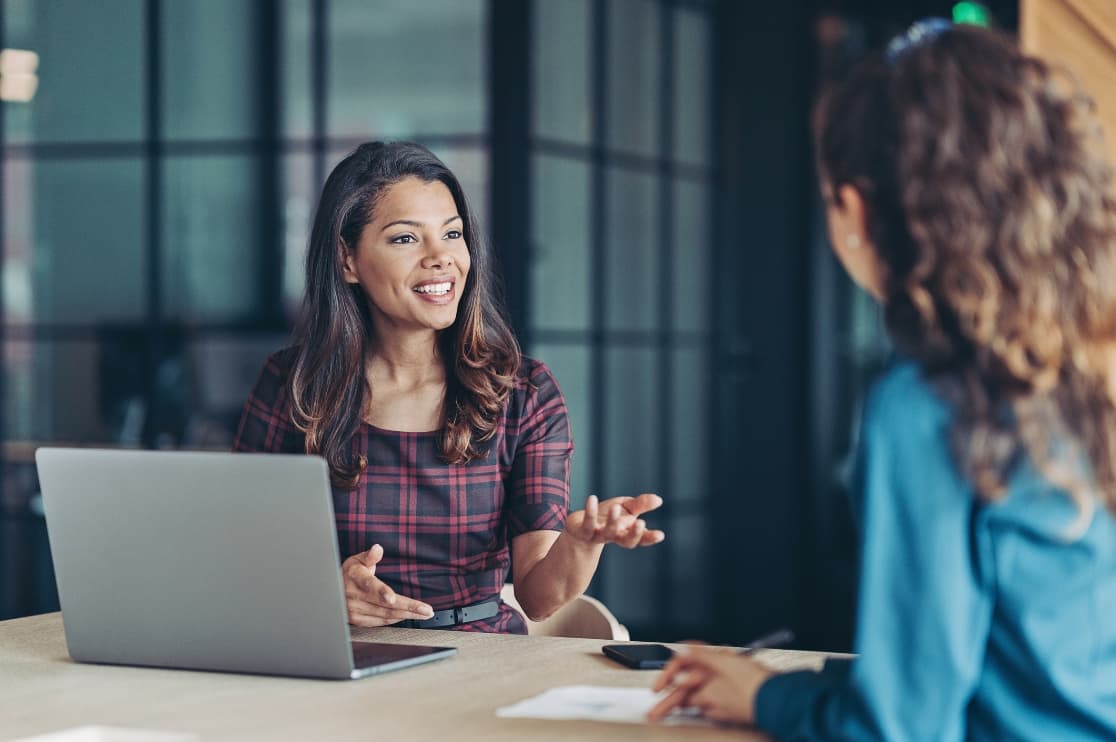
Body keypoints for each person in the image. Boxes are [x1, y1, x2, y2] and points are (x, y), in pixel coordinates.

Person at [650, 20, 1116, 739]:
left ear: (857, 210)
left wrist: (769, 702)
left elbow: (901, 728)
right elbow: (1028, 658)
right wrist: (797, 682)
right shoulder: (1081, 365)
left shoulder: (927, 407)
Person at [234, 141, 664, 633]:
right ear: (347, 260)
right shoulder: (293, 385)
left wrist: (582, 543)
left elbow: (538, 598)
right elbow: (245, 562)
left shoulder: (524, 392)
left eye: (452, 234)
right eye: (405, 239)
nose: (441, 258)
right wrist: (323, 592)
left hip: (481, 660)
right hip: (336, 655)